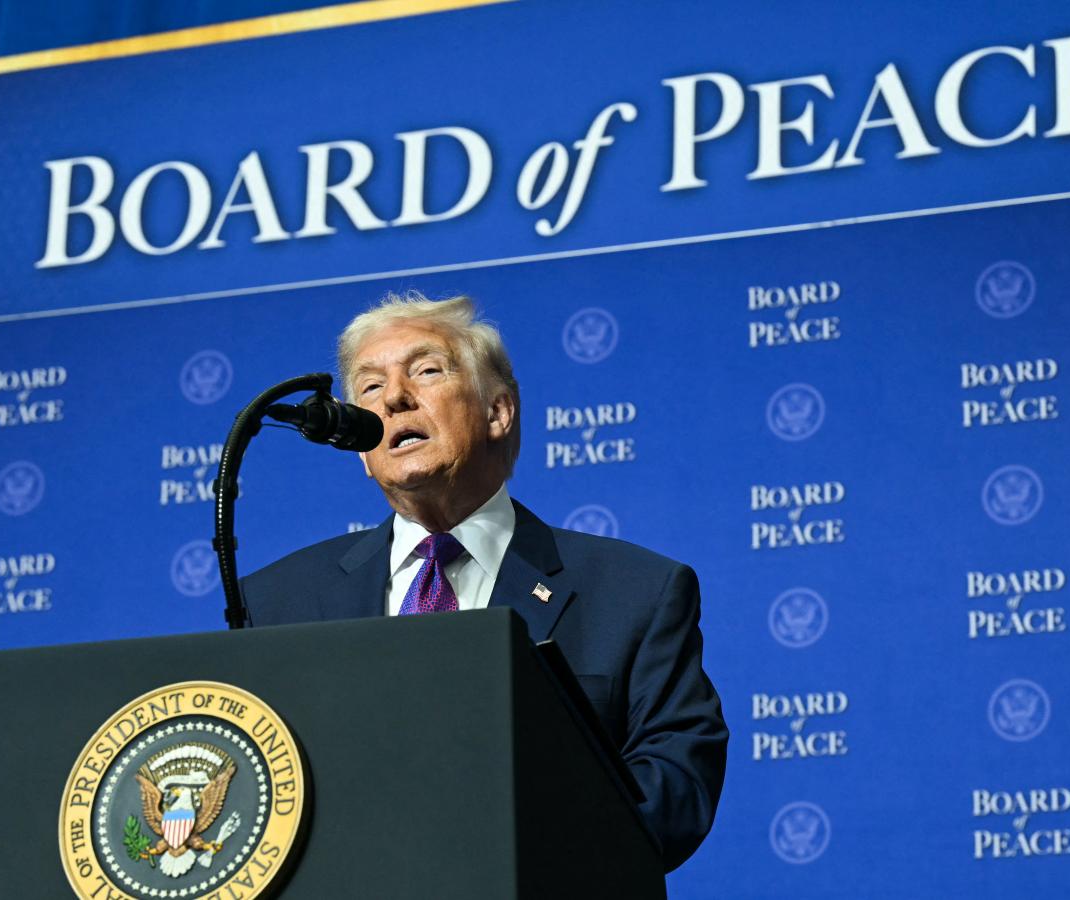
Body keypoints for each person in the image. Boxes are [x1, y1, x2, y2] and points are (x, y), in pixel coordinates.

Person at [241, 291, 728, 871]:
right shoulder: (278, 605)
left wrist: (496, 829)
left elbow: (677, 790)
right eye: (369, 387)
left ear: (498, 412)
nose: (394, 397)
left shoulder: (635, 592)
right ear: (359, 451)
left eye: (426, 371)